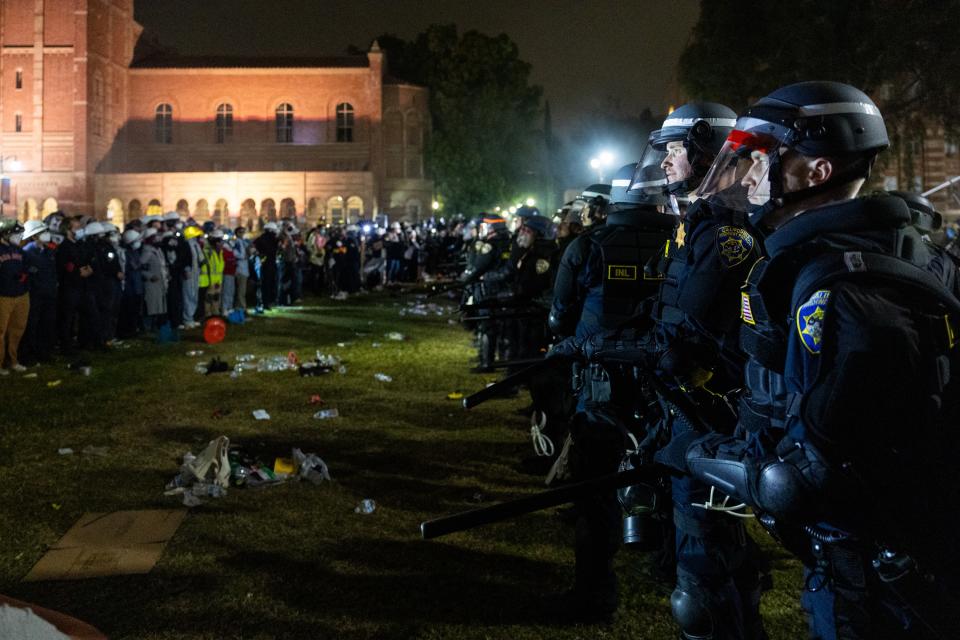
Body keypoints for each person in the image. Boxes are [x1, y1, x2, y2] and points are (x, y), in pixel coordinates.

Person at [657, 81, 959, 640]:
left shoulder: (839, 284)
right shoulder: (901, 253)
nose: (748, 176)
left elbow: (802, 478)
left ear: (817, 172)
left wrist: (703, 456)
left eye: (763, 160)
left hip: (871, 565)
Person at [21, 220, 58, 365]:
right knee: (32, 325)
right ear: (34, 236)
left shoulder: (48, 251)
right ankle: (29, 355)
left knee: (47, 324)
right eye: (42, 232)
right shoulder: (28, 252)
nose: (46, 235)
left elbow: (53, 271)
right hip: (35, 295)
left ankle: (44, 352)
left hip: (49, 293)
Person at [0, 218, 29, 374]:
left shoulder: (18, 250)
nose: (19, 236)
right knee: (1, 331)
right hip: (3, 296)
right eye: (16, 233)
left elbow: (26, 266)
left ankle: (12, 361)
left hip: (21, 294)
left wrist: (25, 275)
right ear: (5, 233)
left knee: (17, 329)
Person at [140, 227, 168, 331]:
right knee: (151, 306)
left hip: (159, 283)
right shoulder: (147, 252)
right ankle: (147, 326)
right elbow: (140, 267)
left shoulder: (158, 250)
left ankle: (155, 325)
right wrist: (149, 276)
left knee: (158, 306)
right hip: (152, 284)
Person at [199, 228, 225, 317]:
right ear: (216, 242)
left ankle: (215, 313)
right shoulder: (208, 252)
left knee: (216, 298)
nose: (222, 244)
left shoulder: (220, 252)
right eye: (221, 241)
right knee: (208, 299)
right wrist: (212, 282)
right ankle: (208, 315)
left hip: (217, 281)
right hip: (209, 281)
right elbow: (207, 268)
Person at [254, 222, 279, 309]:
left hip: (267, 263)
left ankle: (266, 301)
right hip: (267, 264)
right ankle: (266, 302)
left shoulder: (261, 239)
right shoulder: (268, 240)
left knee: (267, 283)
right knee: (267, 284)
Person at [230, 226, 250, 313]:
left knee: (242, 290)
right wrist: (243, 256)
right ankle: (241, 308)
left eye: (243, 232)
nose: (242, 234)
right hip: (240, 269)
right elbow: (234, 253)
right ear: (237, 233)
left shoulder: (243, 242)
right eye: (241, 232)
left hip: (243, 268)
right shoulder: (236, 242)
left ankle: (240, 307)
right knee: (241, 290)